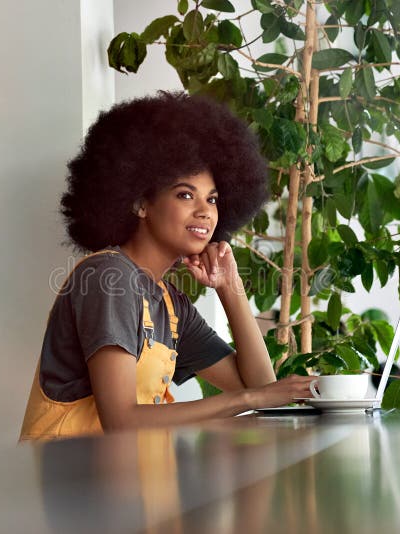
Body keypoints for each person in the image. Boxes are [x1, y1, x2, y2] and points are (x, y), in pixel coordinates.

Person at [20, 92, 314, 441]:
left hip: (125, 484)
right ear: (141, 203)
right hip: (71, 486)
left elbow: (263, 389)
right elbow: (122, 421)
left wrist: (229, 288)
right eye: (185, 194)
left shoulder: (170, 305)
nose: (205, 211)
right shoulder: (107, 278)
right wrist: (251, 398)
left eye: (213, 198)